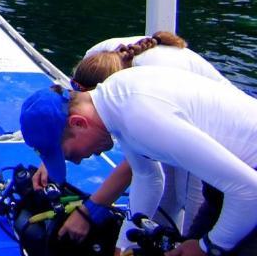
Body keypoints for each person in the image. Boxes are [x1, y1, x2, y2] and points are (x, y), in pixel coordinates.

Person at [20, 66, 257, 256]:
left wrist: (208, 247)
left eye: (69, 154)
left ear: (79, 123)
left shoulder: (141, 117)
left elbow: (250, 191)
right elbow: (147, 177)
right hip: (228, 187)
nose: (79, 162)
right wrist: (123, 247)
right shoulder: (116, 98)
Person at [39, 32, 234, 247]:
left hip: (217, 136)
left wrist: (93, 214)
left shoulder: (140, 103)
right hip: (173, 119)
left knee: (192, 219)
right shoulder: (94, 63)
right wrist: (54, 152)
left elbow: (146, 173)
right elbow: (69, 112)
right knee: (162, 214)